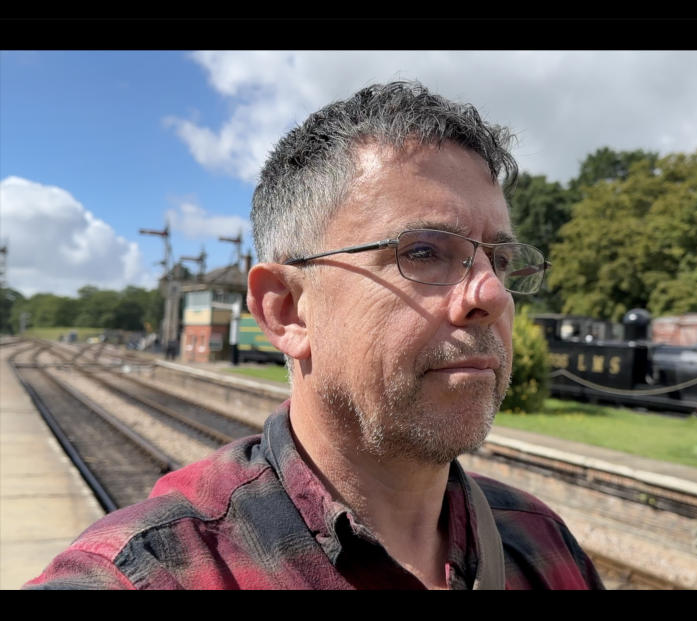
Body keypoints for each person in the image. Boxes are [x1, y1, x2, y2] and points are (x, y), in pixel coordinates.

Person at [25, 81, 604, 590]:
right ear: (287, 311)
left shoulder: (543, 545)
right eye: (423, 252)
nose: (492, 294)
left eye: (500, 261)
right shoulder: (148, 574)